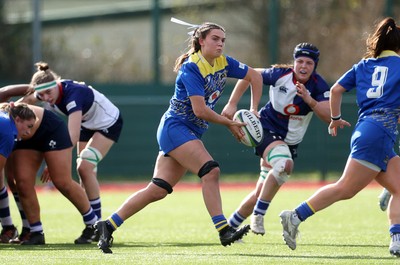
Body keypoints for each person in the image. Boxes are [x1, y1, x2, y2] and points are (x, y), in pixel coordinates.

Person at [94, 20, 263, 254]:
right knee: (210, 171)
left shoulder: (224, 63)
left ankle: (108, 224)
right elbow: (200, 111)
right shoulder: (192, 67)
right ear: (201, 41)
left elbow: (255, 76)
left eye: (223, 40)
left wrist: (251, 109)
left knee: (158, 189)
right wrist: (229, 122)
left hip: (188, 131)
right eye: (215, 39)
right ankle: (224, 230)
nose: (220, 44)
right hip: (175, 128)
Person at [278, 17, 400, 257]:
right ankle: (295, 216)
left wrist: (334, 119)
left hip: (369, 130)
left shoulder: (364, 65)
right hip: (379, 133)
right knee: (345, 188)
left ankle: (396, 238)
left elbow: (335, 90)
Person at [222, 43, 330, 236]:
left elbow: (329, 116)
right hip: (266, 130)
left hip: (290, 142)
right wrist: (232, 103)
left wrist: (309, 99)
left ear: (315, 66)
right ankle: (259, 215)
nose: (303, 66)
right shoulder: (280, 75)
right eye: (299, 61)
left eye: (309, 62)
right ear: (294, 62)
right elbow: (250, 74)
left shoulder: (318, 85)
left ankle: (230, 227)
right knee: (284, 165)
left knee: (260, 192)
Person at [20, 62, 123, 223]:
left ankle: (97, 225)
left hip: (107, 123)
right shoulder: (44, 93)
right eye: (41, 95)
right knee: (83, 171)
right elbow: (25, 102)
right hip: (86, 123)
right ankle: (93, 225)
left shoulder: (72, 95)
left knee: (85, 166)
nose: (46, 98)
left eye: (48, 92)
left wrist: (54, 162)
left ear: (56, 85)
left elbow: (73, 136)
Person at [1, 101, 100, 245]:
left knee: (62, 181)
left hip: (49, 130)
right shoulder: (8, 126)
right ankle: (35, 232)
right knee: (21, 182)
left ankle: (95, 224)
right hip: (22, 137)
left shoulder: (11, 120)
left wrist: (52, 160)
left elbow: (24, 92)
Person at [0, 103, 36, 240]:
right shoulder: (8, 134)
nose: (28, 132)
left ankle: (8, 228)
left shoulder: (5, 120)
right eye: (29, 126)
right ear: (18, 120)